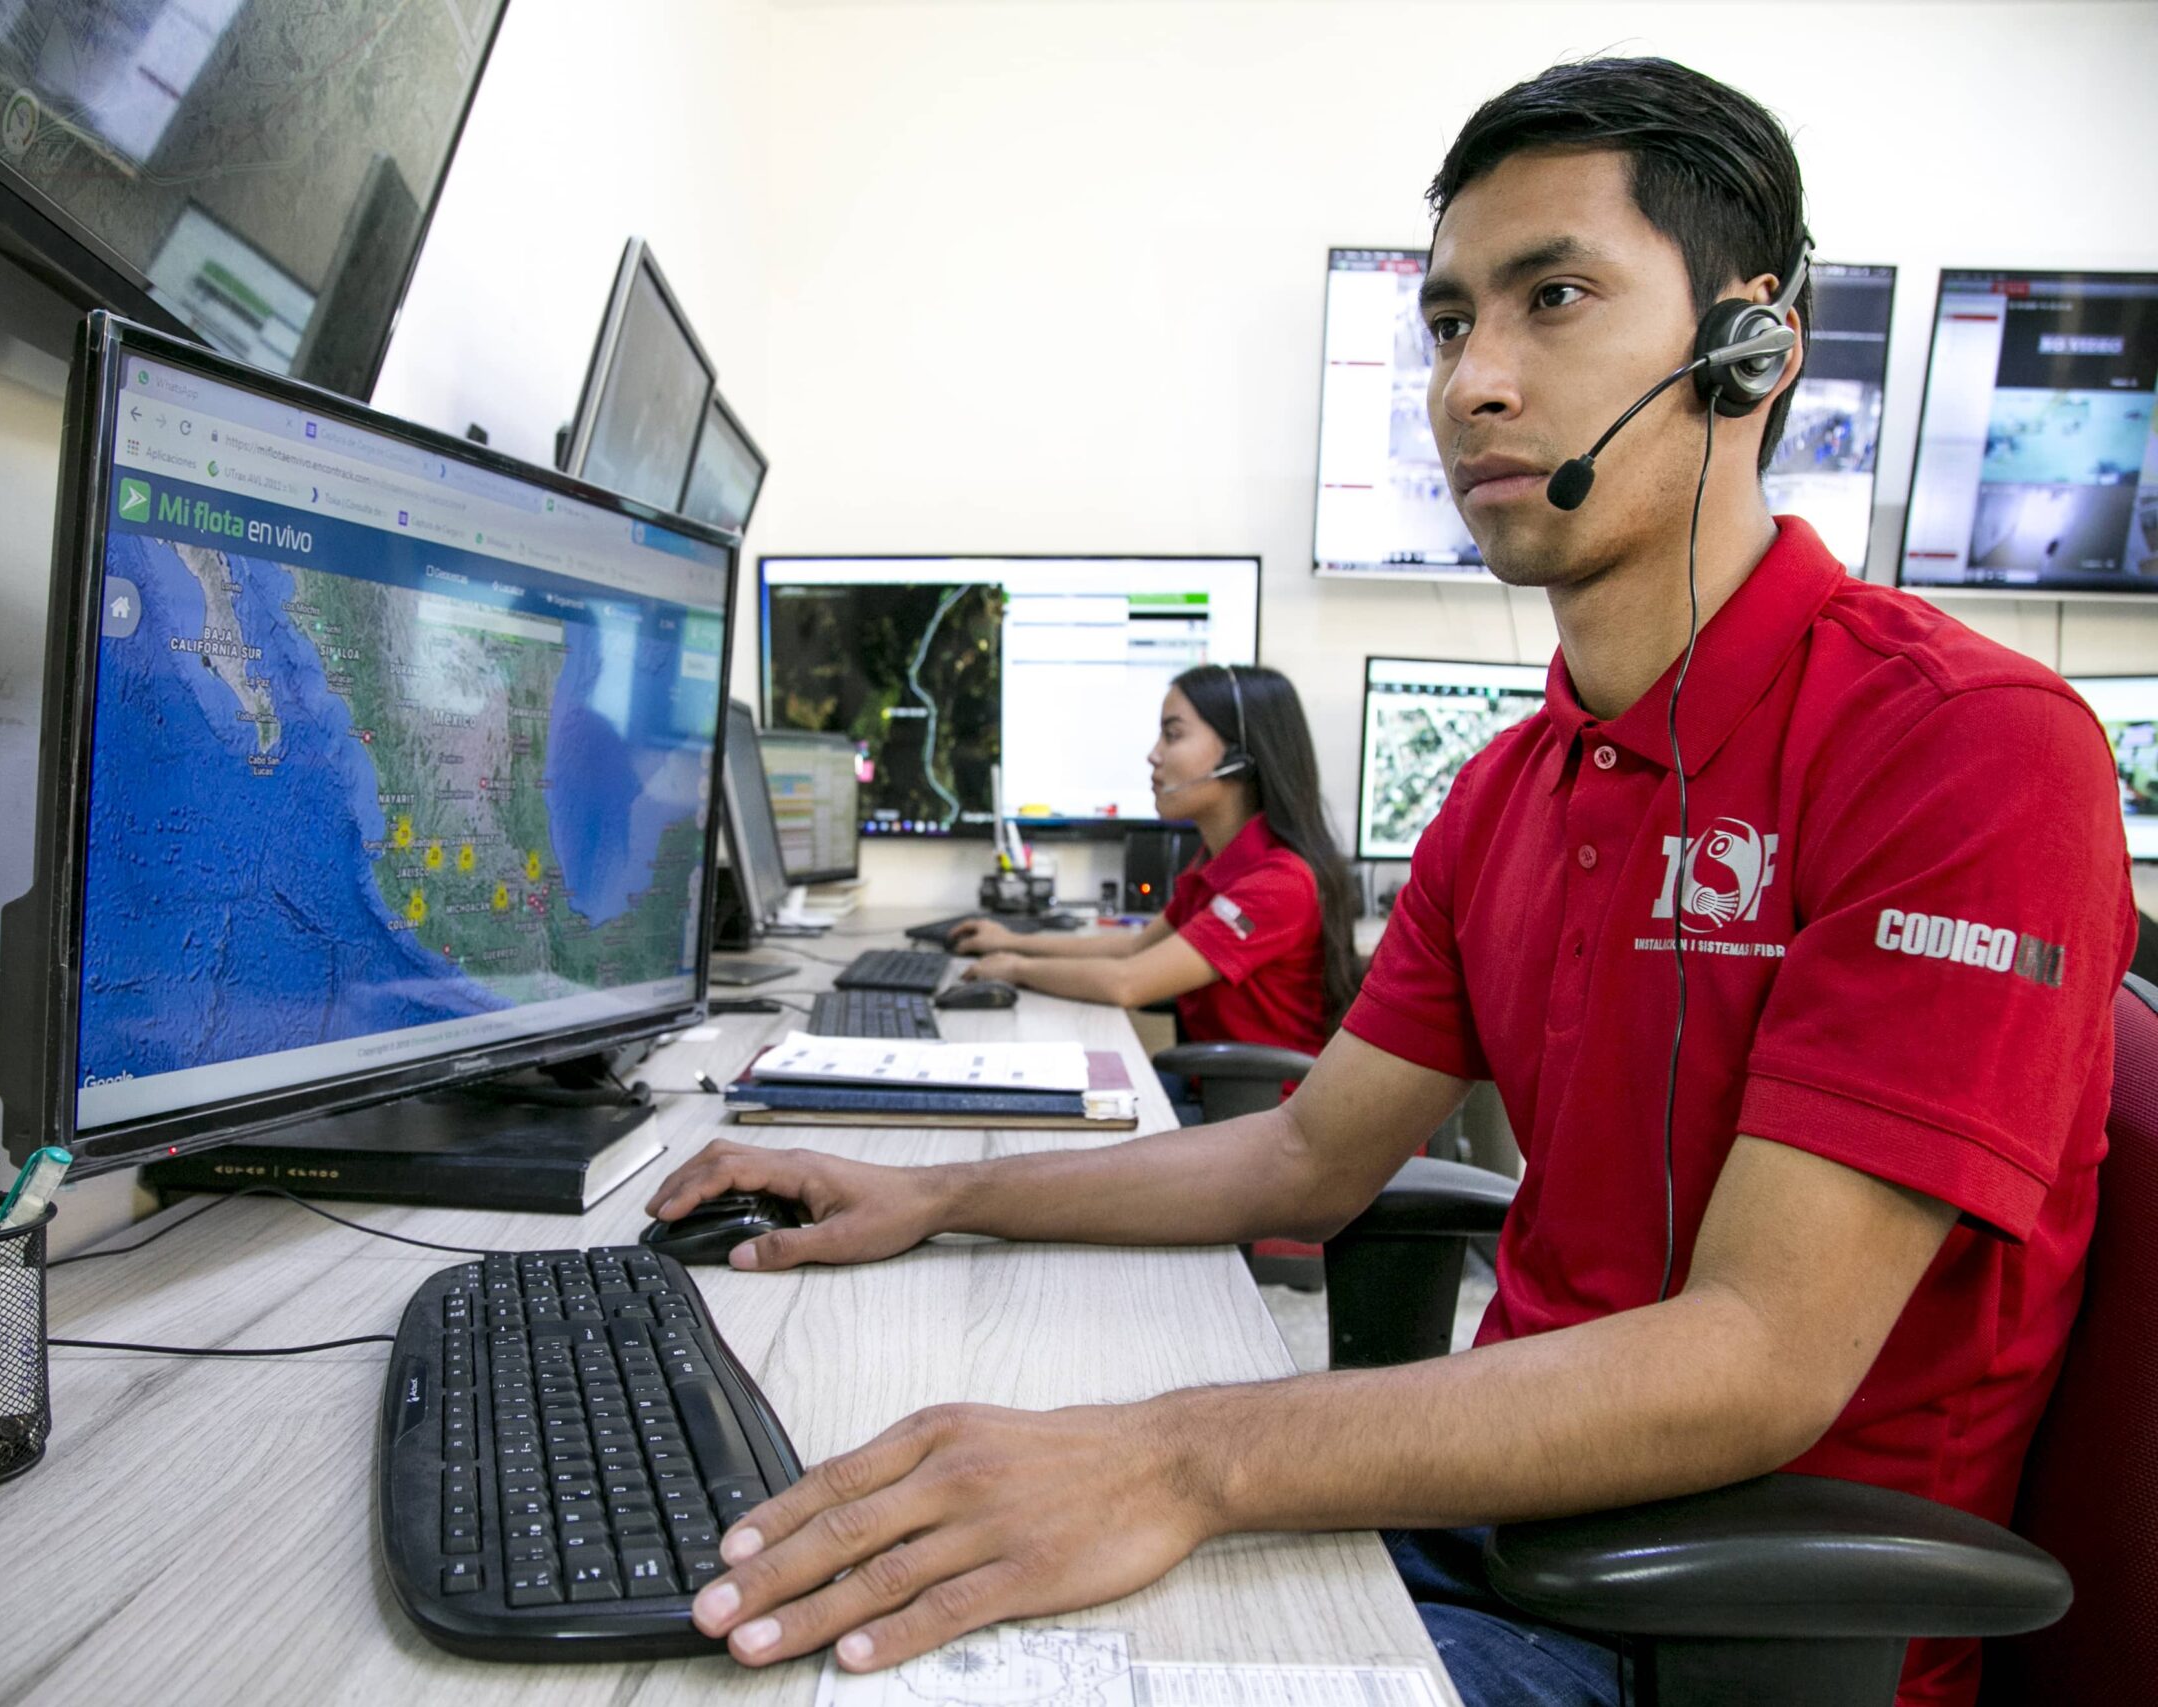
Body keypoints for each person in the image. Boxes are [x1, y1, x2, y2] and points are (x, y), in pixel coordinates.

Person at [646, 57, 2134, 1707]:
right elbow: (1300, 1150)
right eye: (1445, 324)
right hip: (1477, 1516)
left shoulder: (1968, 751)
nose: (1472, 384)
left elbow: (1760, 1358)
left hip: (1704, 1630)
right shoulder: (1513, 787)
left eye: (1553, 299)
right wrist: (932, 1196)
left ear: (1750, 345)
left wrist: (1182, 1456)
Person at [947, 665, 1360, 1090]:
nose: (1154, 754)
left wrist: (1016, 969)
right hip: (1223, 1101)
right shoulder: (1215, 862)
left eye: (1174, 735)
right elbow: (1134, 947)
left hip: (1268, 1119)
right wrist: (1008, 942)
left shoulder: (1278, 883)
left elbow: (1129, 983)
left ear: (1239, 757)